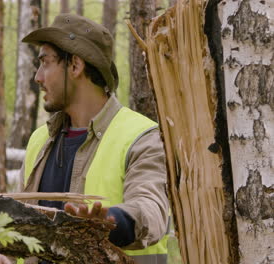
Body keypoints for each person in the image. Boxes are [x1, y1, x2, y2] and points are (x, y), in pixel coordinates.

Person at [20, 14, 169, 264]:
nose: (38, 77)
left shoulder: (142, 137)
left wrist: (112, 222)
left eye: (45, 63)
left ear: (75, 66)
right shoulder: (39, 140)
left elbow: (151, 209)